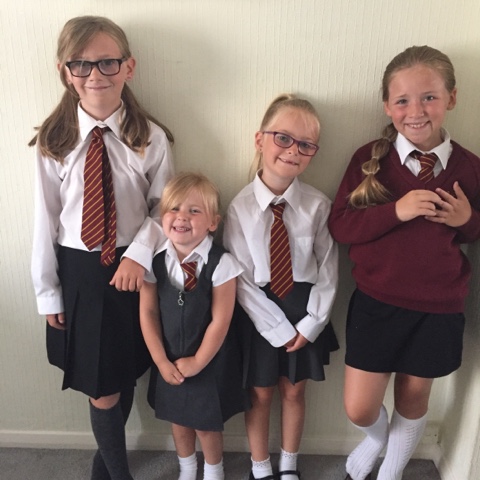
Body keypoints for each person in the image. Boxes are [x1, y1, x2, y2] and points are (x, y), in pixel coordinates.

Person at [30, 16, 174, 480]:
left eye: (107, 62)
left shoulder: (150, 137)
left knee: (123, 369)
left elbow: (165, 209)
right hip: (80, 273)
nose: (95, 74)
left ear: (128, 66)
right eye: (82, 64)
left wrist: (138, 254)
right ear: (65, 71)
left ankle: (103, 466)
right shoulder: (54, 140)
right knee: (101, 386)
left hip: (135, 267)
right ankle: (117, 473)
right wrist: (47, 291)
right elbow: (45, 219)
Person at [328, 45, 480, 480]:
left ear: (451, 98)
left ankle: (391, 471)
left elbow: (476, 231)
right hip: (377, 303)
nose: (416, 111)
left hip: (439, 308)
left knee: (413, 399)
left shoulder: (470, 168)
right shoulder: (368, 160)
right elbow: (340, 226)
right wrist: (395, 210)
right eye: (402, 100)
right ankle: (376, 442)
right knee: (360, 408)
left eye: (429, 97)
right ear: (387, 106)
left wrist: (466, 220)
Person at [223, 94, 339, 480]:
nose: (293, 151)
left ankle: (289, 464)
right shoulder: (239, 207)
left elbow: (329, 270)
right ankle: (260, 466)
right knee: (260, 392)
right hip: (259, 312)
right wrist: (275, 328)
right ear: (260, 140)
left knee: (294, 391)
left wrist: (312, 323)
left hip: (304, 310)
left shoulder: (318, 206)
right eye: (283, 138)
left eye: (306, 145)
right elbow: (240, 278)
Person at [139, 172, 247, 480]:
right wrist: (161, 361)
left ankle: (214, 471)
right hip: (169, 358)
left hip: (209, 359)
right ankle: (187, 469)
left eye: (194, 210)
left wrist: (199, 361)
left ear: (213, 222)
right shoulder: (154, 261)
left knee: (206, 424)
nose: (182, 217)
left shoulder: (222, 263)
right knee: (179, 419)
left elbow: (221, 319)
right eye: (173, 209)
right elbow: (148, 312)